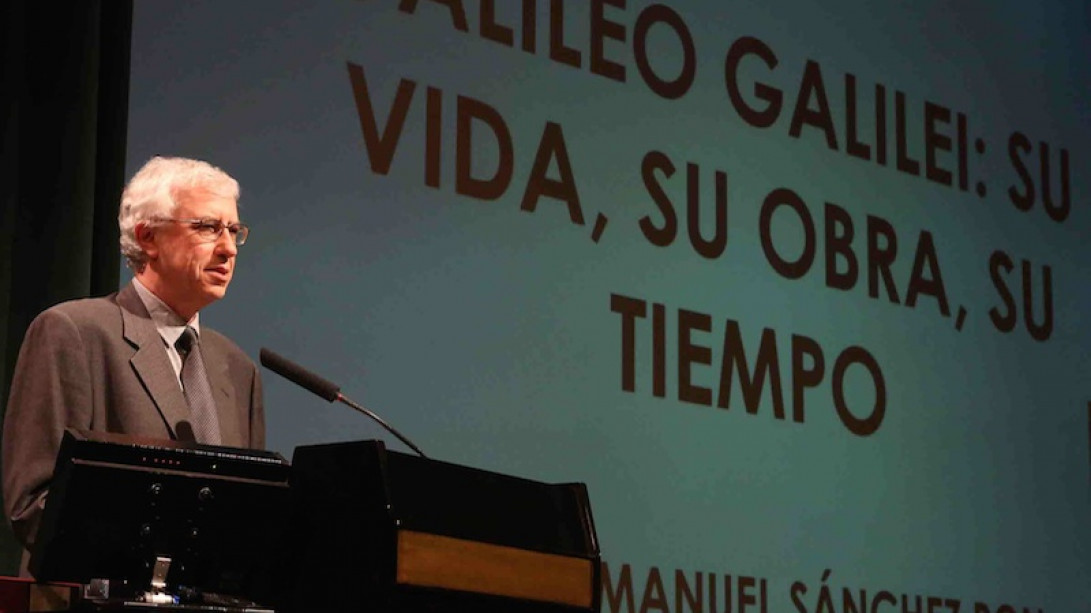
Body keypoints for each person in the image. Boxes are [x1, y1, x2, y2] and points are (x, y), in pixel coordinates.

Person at [1, 156, 264, 575]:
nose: (228, 248)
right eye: (207, 228)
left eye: (233, 230)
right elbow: (34, 504)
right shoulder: (74, 333)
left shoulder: (237, 368)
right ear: (149, 238)